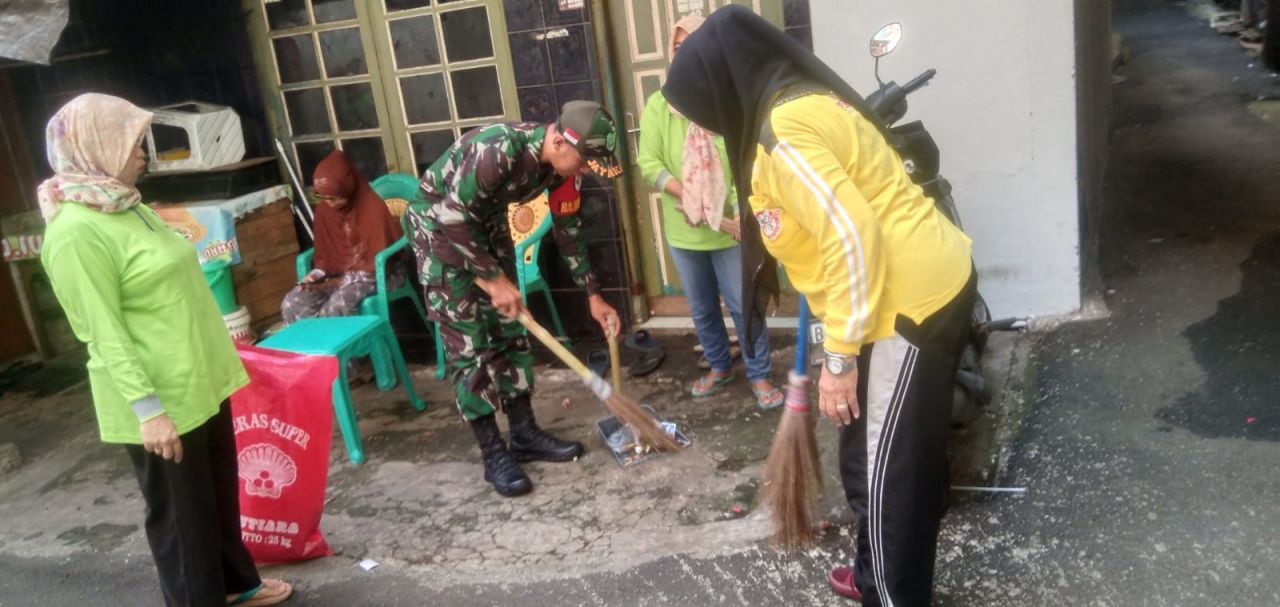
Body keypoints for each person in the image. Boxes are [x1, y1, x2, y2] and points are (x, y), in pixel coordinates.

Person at [663, 7, 977, 606]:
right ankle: (873, 571)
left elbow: (852, 237)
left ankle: (892, 593)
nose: (704, 123)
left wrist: (838, 359)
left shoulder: (782, 132)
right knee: (875, 446)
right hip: (915, 283)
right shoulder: (796, 99)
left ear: (723, 85)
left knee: (887, 474)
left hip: (904, 305)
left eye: (701, 106)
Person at [38, 93, 292, 606]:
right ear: (96, 147)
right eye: (132, 142)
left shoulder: (125, 205)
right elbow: (102, 332)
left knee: (215, 497)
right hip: (159, 397)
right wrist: (148, 410)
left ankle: (235, 585)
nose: (143, 152)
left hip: (198, 380)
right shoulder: (75, 233)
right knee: (181, 518)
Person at [407, 100, 622, 497]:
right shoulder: (498, 151)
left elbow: (569, 229)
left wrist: (593, 294)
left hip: (485, 228)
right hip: (438, 232)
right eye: (586, 161)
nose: (588, 170)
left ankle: (524, 433)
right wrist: (492, 279)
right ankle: (493, 452)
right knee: (469, 345)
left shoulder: (562, 170)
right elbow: (451, 217)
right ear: (560, 142)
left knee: (513, 327)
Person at [637, 15, 782, 410]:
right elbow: (648, 162)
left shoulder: (728, 102)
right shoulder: (659, 106)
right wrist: (690, 196)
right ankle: (719, 366)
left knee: (743, 303)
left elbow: (744, 161)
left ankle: (759, 373)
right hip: (685, 229)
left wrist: (730, 212)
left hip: (730, 229)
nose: (684, 52)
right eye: (678, 46)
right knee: (702, 308)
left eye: (693, 44)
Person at [280, 149, 403, 324]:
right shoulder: (324, 210)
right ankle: (314, 342)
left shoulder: (373, 208)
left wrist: (339, 282)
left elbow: (380, 265)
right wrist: (315, 277)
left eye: (335, 197)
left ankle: (347, 343)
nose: (330, 203)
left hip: (378, 276)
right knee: (292, 303)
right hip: (335, 276)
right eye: (324, 197)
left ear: (348, 188)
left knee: (336, 307)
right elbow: (325, 260)